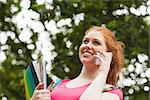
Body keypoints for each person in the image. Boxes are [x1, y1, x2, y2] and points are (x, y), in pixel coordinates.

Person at [30, 25, 124, 100]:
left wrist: (103, 72)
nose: (87, 45)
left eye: (96, 43)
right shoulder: (57, 85)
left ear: (108, 55)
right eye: (85, 41)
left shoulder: (111, 93)